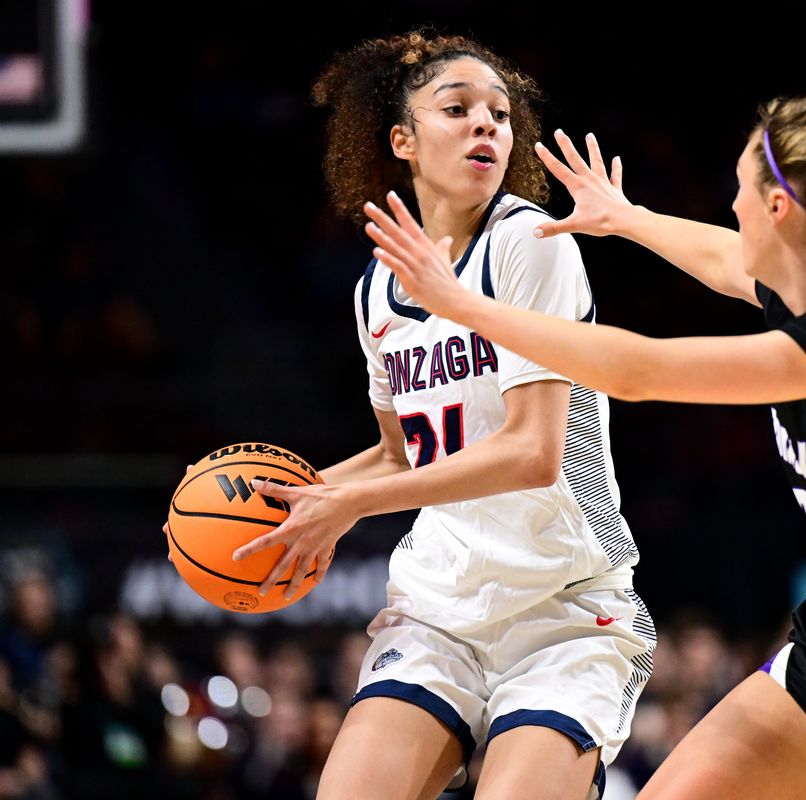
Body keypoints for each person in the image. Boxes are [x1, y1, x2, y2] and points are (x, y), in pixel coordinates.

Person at [365, 94, 806, 799]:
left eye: (740, 191)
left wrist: (466, 308)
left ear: (781, 210)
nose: (731, 206)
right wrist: (625, 218)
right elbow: (722, 257)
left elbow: (637, 373)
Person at [229, 31, 655, 800]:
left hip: (565, 607)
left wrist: (349, 505)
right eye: (456, 109)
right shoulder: (378, 288)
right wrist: (284, 505)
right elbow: (403, 454)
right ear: (402, 141)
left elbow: (533, 452)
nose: (486, 124)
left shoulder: (533, 243)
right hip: (441, 608)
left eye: (499, 112)